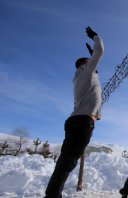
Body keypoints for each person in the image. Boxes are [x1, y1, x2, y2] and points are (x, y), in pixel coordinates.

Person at [44, 26, 104, 198]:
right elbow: (100, 52)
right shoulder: (86, 71)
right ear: (85, 64)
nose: (94, 66)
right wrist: (95, 37)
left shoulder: (81, 76)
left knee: (66, 161)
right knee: (67, 162)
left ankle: (53, 194)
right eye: (90, 62)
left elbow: (96, 70)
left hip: (76, 121)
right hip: (82, 122)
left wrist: (92, 57)